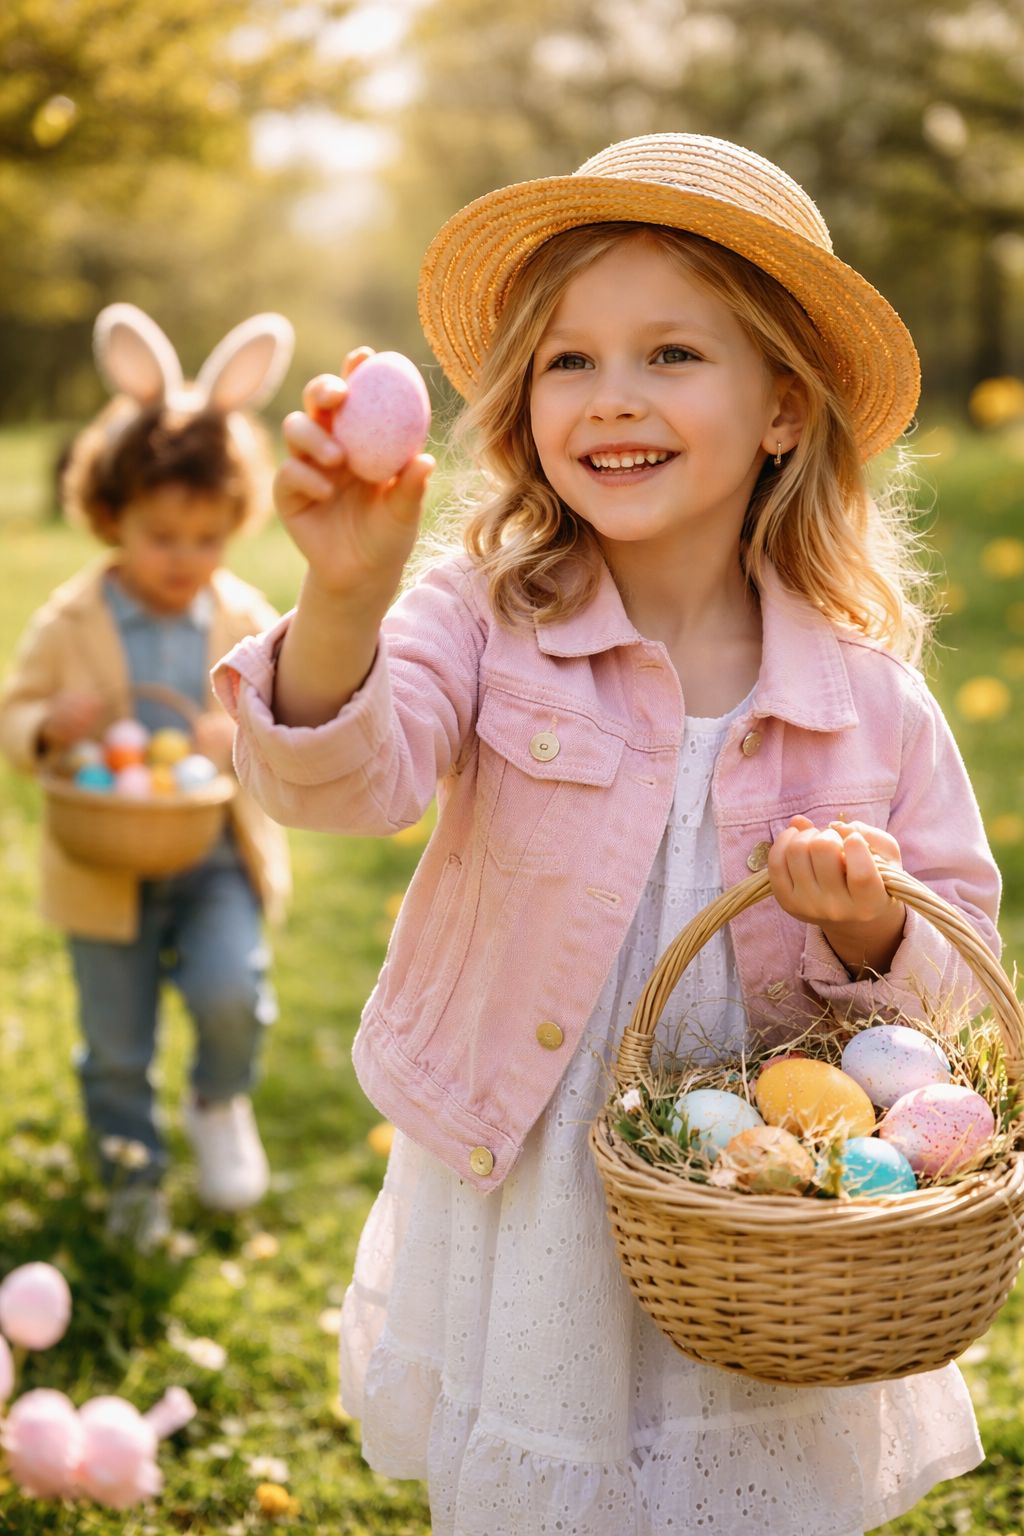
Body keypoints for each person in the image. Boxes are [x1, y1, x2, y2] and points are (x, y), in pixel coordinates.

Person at [213, 135, 1000, 1535]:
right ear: (525, 403)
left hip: (752, 1211)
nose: (609, 399)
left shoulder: (864, 702)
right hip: (537, 1177)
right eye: (569, 360)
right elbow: (343, 786)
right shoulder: (483, 618)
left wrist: (868, 926)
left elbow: (964, 980)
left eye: (671, 356)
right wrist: (341, 598)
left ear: (782, 408)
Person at [0, 304, 293, 1252]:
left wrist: (240, 725)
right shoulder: (72, 616)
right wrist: (49, 725)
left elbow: (290, 710)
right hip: (103, 860)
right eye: (164, 536)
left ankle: (218, 1099)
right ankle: (132, 1172)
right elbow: (14, 711)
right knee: (115, 1047)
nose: (187, 560)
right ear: (111, 515)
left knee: (231, 992)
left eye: (209, 537)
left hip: (210, 851)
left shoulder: (241, 610)